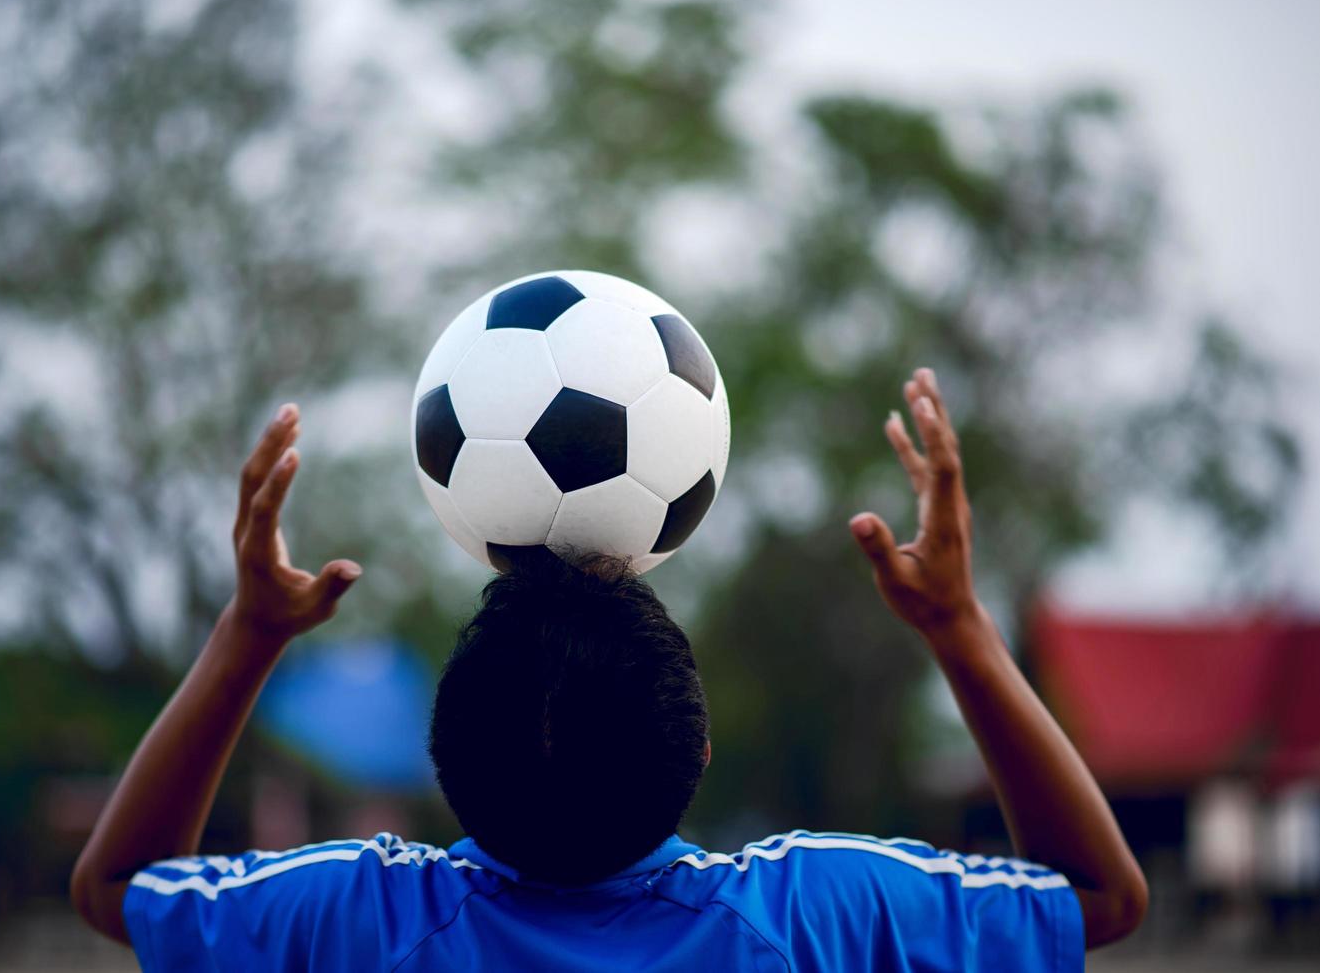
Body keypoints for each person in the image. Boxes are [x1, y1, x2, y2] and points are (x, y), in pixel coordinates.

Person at [71, 368, 1147, 970]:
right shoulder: (811, 912)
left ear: (450, 772)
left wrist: (246, 634)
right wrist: (959, 626)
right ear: (701, 747)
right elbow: (1101, 895)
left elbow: (117, 888)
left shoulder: (367, 919)